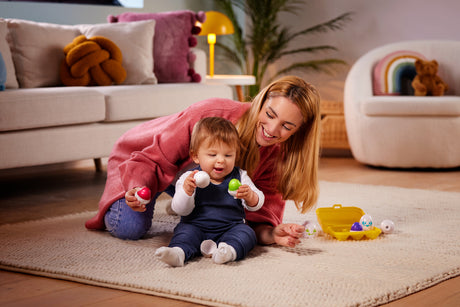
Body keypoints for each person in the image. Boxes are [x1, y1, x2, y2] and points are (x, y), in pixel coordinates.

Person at [85, 75, 321, 248]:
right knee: (130, 228)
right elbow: (152, 156)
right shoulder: (212, 113)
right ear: (261, 102)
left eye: (287, 126)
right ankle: (142, 194)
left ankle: (187, 198)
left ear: (298, 132)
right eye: (270, 115)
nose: (271, 130)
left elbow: (258, 217)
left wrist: (272, 233)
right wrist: (137, 188)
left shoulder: (278, 156)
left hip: (187, 177)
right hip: (143, 159)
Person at [155, 117, 264, 267]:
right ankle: (178, 253)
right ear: (195, 156)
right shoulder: (189, 178)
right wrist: (187, 191)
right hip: (195, 226)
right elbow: (180, 209)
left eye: (228, 155)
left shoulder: (240, 176)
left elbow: (257, 204)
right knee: (184, 233)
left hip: (230, 227)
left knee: (247, 233)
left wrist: (251, 196)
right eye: (213, 155)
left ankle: (229, 251)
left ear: (236, 155)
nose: (221, 160)